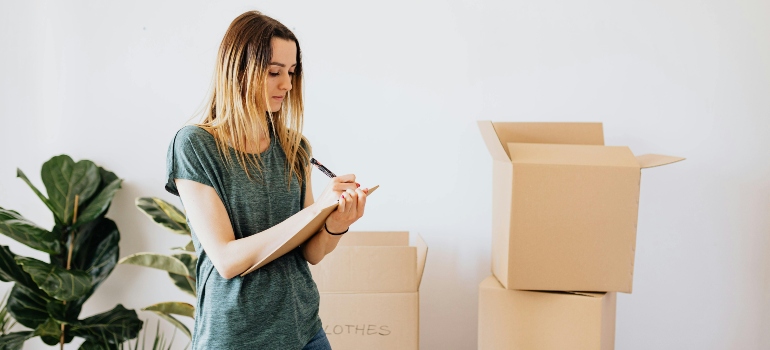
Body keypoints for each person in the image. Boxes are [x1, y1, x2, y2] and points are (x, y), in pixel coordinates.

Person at [164, 11, 368, 350]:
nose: (287, 84)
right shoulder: (195, 145)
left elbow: (311, 253)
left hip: (305, 331)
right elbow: (227, 261)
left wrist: (336, 223)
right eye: (274, 72)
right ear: (238, 70)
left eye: (291, 72)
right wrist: (315, 211)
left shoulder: (295, 147)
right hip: (236, 337)